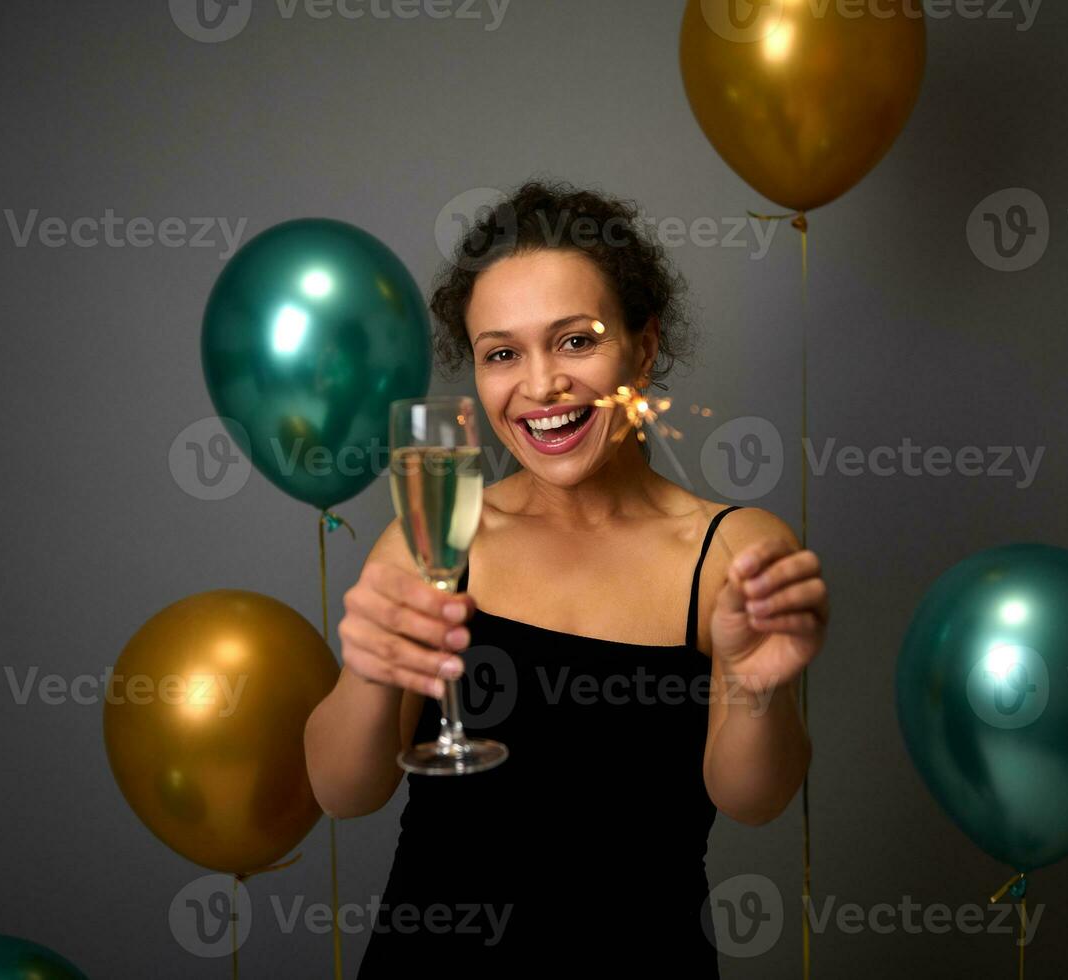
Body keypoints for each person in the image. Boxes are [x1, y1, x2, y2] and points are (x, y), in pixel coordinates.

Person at [303, 179, 828, 976]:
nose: (541, 385)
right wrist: (373, 675)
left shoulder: (730, 550)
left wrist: (757, 688)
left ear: (642, 347)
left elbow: (753, 800)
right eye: (502, 354)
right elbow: (344, 792)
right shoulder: (438, 539)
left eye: (576, 341)